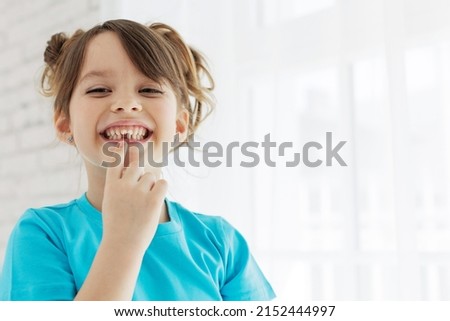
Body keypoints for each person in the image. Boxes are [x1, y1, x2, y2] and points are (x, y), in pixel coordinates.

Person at [0, 19, 275, 301]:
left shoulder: (222, 242)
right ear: (64, 123)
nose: (127, 103)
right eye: (99, 90)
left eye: (150, 90)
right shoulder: (42, 234)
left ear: (180, 124)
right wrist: (123, 240)